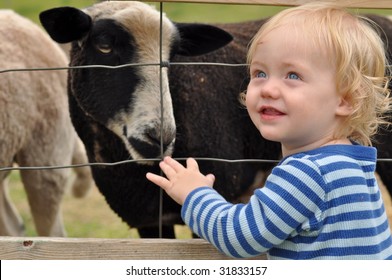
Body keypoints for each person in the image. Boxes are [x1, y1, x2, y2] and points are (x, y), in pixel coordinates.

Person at [146, 2, 392, 259]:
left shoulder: (307, 173)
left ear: (345, 99)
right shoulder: (352, 161)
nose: (268, 89)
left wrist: (194, 195)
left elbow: (240, 237)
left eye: (293, 76)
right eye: (260, 73)